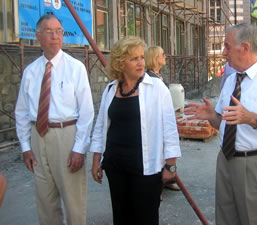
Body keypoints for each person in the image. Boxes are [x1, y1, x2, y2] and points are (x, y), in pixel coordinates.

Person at [185, 24, 257, 225]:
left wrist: (253, 119)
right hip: (225, 161)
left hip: (256, 165)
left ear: (244, 47)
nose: (223, 52)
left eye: (227, 46)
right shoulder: (231, 79)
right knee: (225, 219)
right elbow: (225, 124)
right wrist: (211, 116)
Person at [90, 36, 181, 225]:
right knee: (121, 217)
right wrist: (96, 159)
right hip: (115, 167)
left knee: (146, 218)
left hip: (146, 168)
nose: (141, 63)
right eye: (134, 59)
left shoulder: (157, 88)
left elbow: (170, 129)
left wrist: (170, 164)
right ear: (121, 63)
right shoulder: (110, 89)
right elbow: (100, 126)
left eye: (142, 57)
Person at [15, 14, 94, 225]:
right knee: (45, 201)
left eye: (58, 31)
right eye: (49, 32)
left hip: (66, 136)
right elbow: (21, 111)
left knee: (73, 201)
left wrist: (79, 148)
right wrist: (25, 146)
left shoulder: (75, 68)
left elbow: (86, 111)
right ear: (38, 36)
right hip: (38, 136)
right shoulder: (31, 71)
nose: (55, 36)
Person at [145, 46, 180, 192]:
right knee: (158, 151)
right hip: (155, 123)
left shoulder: (158, 75)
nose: (165, 56)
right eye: (162, 54)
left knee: (167, 149)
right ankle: (158, 186)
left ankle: (168, 180)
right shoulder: (149, 78)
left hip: (163, 119)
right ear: (155, 58)